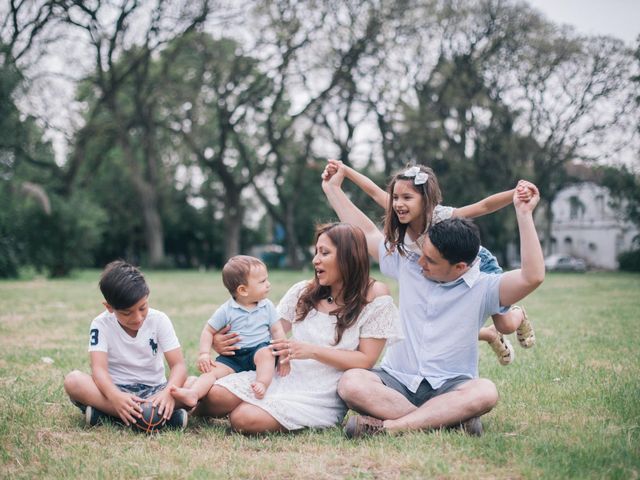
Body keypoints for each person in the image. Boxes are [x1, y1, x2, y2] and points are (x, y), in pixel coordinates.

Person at [321, 164, 545, 437]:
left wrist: (523, 213)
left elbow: (532, 276)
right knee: (351, 382)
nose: (419, 262)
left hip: (450, 384)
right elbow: (367, 232)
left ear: (460, 266)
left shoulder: (485, 288)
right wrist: (333, 190)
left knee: (485, 392)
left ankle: (392, 427)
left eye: (430, 260)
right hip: (397, 380)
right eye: (422, 254)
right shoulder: (408, 262)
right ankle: (447, 421)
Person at [188, 223, 402, 434]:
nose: (315, 260)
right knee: (217, 395)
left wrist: (311, 351)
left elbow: (366, 360)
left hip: (322, 393)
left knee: (243, 419)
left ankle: (193, 398)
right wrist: (218, 342)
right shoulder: (303, 291)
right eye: (316, 251)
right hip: (283, 376)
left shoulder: (375, 296)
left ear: (348, 257)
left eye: (324, 253)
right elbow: (268, 332)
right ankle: (185, 405)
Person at [324, 159, 536, 365]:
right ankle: (489, 334)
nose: (398, 203)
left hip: (473, 262)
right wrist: (346, 171)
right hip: (435, 267)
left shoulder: (441, 216)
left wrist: (516, 194)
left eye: (407, 197)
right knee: (435, 319)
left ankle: (518, 314)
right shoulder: (400, 214)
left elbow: (484, 206)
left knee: (506, 324)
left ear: (425, 200)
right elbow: (372, 191)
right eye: (395, 197)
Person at [63, 260, 189, 429]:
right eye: (127, 313)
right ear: (109, 307)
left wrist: (167, 393)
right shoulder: (100, 324)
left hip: (155, 391)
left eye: (142, 308)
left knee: (193, 385)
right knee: (73, 381)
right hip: (115, 391)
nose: (137, 318)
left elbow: (178, 365)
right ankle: (156, 418)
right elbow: (98, 370)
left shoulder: (159, 320)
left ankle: (108, 416)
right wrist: (115, 396)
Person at [170, 256, 288, 404]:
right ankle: (193, 393)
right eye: (263, 281)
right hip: (233, 357)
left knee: (267, 354)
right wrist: (204, 354)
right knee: (211, 372)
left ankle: (262, 383)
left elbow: (277, 331)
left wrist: (283, 355)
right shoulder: (227, 310)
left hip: (258, 350)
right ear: (243, 290)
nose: (268, 284)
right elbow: (208, 330)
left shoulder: (267, 306)